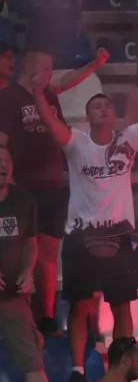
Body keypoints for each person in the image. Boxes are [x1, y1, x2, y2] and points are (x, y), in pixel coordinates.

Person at [31, 69, 138, 382]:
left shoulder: (127, 140)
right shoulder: (76, 143)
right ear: (88, 115)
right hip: (80, 238)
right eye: (96, 107)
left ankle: (121, 370)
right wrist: (38, 93)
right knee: (80, 307)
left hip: (119, 237)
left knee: (122, 308)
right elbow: (51, 124)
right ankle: (78, 371)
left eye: (107, 106)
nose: (102, 110)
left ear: (113, 114)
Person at [0, 48, 111, 335]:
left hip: (53, 185)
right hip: (22, 187)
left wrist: (94, 63)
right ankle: (18, 314)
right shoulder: (9, 97)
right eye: (47, 69)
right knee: (19, 253)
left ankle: (46, 317)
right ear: (31, 69)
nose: (52, 74)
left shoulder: (48, 93)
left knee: (49, 253)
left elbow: (69, 81)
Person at [0, 146, 81, 382]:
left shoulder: (23, 200)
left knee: (33, 361)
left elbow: (31, 242)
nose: (2, 166)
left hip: (11, 299)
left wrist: (26, 270)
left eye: (7, 161)